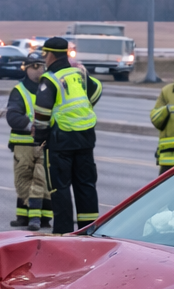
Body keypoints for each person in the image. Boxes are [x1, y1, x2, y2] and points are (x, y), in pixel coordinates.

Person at [32, 36, 103, 234]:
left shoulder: (50, 78)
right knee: (86, 185)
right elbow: (97, 90)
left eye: (45, 55)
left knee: (60, 187)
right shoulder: (79, 72)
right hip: (86, 137)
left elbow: (42, 111)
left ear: (50, 55)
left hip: (61, 141)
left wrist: (39, 137)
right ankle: (89, 229)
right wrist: (84, 108)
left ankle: (63, 232)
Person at [6, 51, 51, 228]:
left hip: (43, 143)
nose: (42, 70)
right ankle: (23, 216)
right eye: (40, 67)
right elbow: (13, 116)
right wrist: (29, 125)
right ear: (31, 68)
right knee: (23, 180)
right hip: (23, 144)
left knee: (41, 180)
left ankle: (38, 218)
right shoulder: (19, 91)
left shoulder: (49, 87)